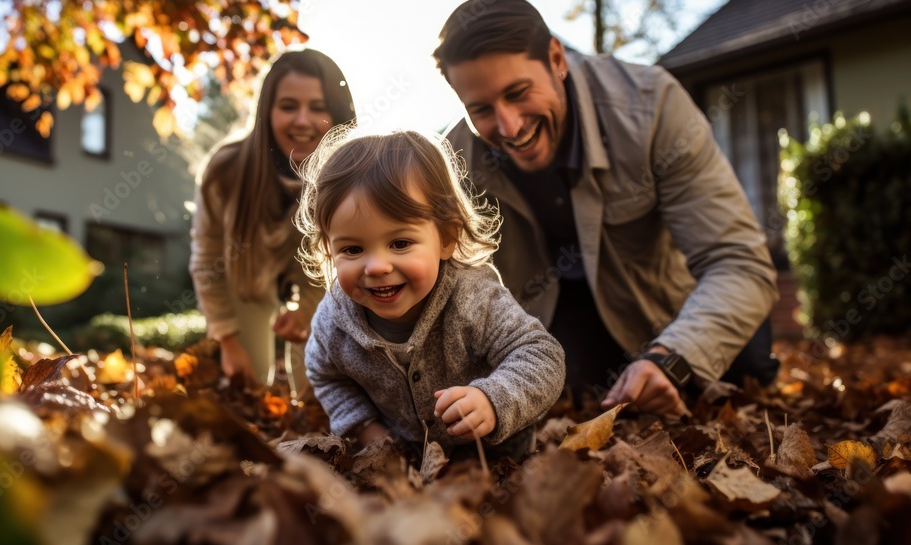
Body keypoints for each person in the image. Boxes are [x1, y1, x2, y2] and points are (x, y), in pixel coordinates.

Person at [433, 0, 780, 415]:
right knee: (576, 390)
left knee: (742, 371)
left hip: (666, 304)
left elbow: (740, 263)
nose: (509, 127)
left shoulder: (653, 106)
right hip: (558, 318)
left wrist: (672, 357)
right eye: (481, 110)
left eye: (518, 93)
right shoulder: (453, 164)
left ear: (556, 59)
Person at [295, 129, 565, 460]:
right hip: (407, 464)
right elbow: (326, 376)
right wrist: (367, 430)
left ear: (447, 237)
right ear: (328, 249)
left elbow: (541, 355)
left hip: (497, 460)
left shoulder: (473, 298)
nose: (377, 266)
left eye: (400, 243)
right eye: (352, 249)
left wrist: (493, 399)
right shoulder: (334, 321)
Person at [190, 49, 356, 394]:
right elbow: (208, 263)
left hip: (320, 284)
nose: (302, 121)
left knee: (317, 390)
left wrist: (307, 310)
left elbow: (346, 261)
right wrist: (229, 341)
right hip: (246, 281)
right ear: (267, 111)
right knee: (247, 382)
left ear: (337, 113)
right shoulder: (225, 170)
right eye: (288, 106)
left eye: (318, 107)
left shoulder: (354, 175)